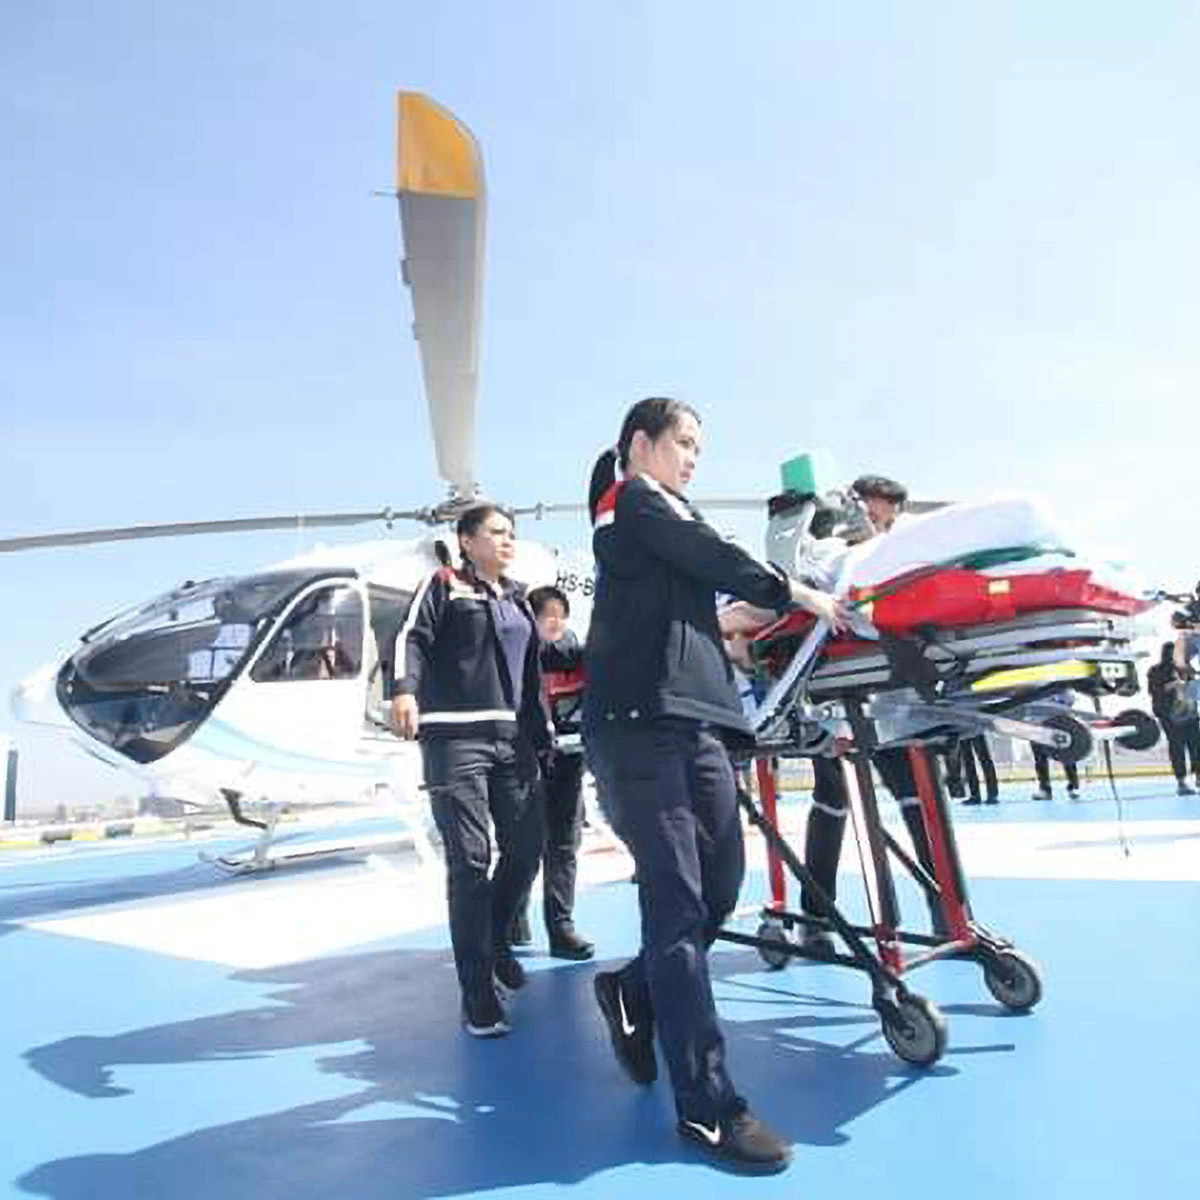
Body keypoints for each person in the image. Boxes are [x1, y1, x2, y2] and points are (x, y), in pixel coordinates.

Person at [583, 396, 847, 1174]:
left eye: (700, 446)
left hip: (700, 722)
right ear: (641, 444)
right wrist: (795, 592)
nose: (694, 456)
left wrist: (736, 619)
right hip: (640, 726)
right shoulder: (632, 503)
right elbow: (712, 552)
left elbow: (694, 587)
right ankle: (707, 1109)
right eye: (683, 442)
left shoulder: (665, 530)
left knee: (720, 891)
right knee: (674, 903)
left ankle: (632, 991)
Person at [391, 504, 552, 1038]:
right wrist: (405, 689)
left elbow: (531, 672)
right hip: (454, 740)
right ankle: (477, 993)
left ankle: (498, 936)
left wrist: (541, 733)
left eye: (513, 533)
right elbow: (410, 637)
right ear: (465, 540)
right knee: (470, 863)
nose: (508, 541)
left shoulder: (517, 597)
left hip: (512, 741)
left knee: (528, 849)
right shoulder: (443, 585)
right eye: (496, 532)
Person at [510, 585, 596, 960]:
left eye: (561, 614)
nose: (555, 621)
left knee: (563, 845)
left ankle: (561, 927)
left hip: (568, 761)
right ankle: (514, 913)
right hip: (526, 763)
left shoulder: (582, 657)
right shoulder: (517, 659)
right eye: (547, 615)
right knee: (523, 845)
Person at [1147, 640, 1200, 795]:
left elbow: (1193, 688)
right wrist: (1174, 684)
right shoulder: (1156, 671)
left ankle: (1198, 777)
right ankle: (1181, 781)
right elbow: (1154, 691)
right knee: (1177, 747)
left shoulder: (1186, 668)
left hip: (1189, 712)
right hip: (1169, 715)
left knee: (1196, 745)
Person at [1030, 690, 1081, 800]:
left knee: (1067, 756)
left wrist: (1057, 702)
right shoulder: (1032, 686)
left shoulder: (1059, 685)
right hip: (1038, 725)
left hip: (1059, 725)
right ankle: (1044, 789)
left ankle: (1073, 787)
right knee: (1040, 759)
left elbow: (1071, 699)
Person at [945, 735, 1000, 805]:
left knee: (983, 759)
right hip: (963, 730)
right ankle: (975, 795)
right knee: (968, 760)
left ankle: (992, 794)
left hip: (973, 728)